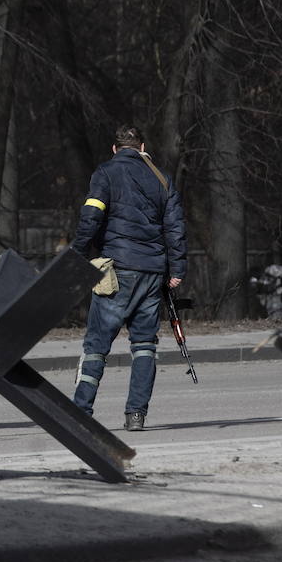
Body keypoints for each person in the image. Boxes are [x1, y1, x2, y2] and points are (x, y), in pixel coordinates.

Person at [68, 124, 187, 432]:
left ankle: (80, 412)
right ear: (142, 147)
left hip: (117, 269)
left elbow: (91, 216)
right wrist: (176, 271)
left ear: (114, 148)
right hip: (152, 273)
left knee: (96, 345)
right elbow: (174, 229)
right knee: (145, 344)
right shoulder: (162, 178)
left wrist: (77, 253)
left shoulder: (105, 173)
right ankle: (136, 415)